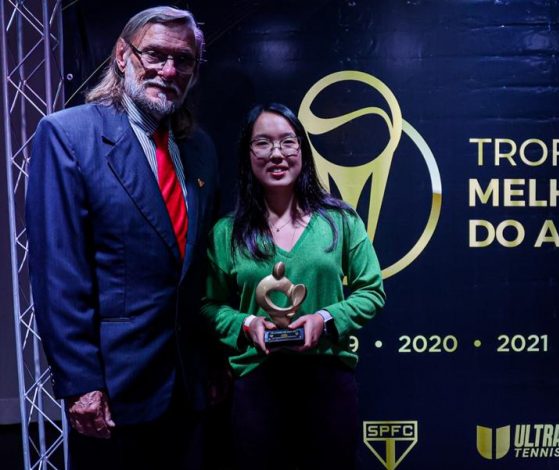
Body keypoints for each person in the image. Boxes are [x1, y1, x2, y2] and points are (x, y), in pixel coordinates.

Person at [26, 6, 219, 469]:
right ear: (121, 55)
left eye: (183, 60)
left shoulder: (201, 149)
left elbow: (202, 271)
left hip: (190, 388)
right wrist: (81, 383)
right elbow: (59, 274)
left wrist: (212, 363)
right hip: (113, 393)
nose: (168, 71)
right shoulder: (68, 135)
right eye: (154, 54)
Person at [201, 103, 385, 469]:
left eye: (287, 142)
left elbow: (372, 291)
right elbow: (209, 304)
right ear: (247, 153)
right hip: (257, 386)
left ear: (302, 149)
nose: (277, 154)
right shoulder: (226, 233)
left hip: (328, 384)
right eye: (263, 143)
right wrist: (246, 324)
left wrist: (325, 319)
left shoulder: (340, 221)